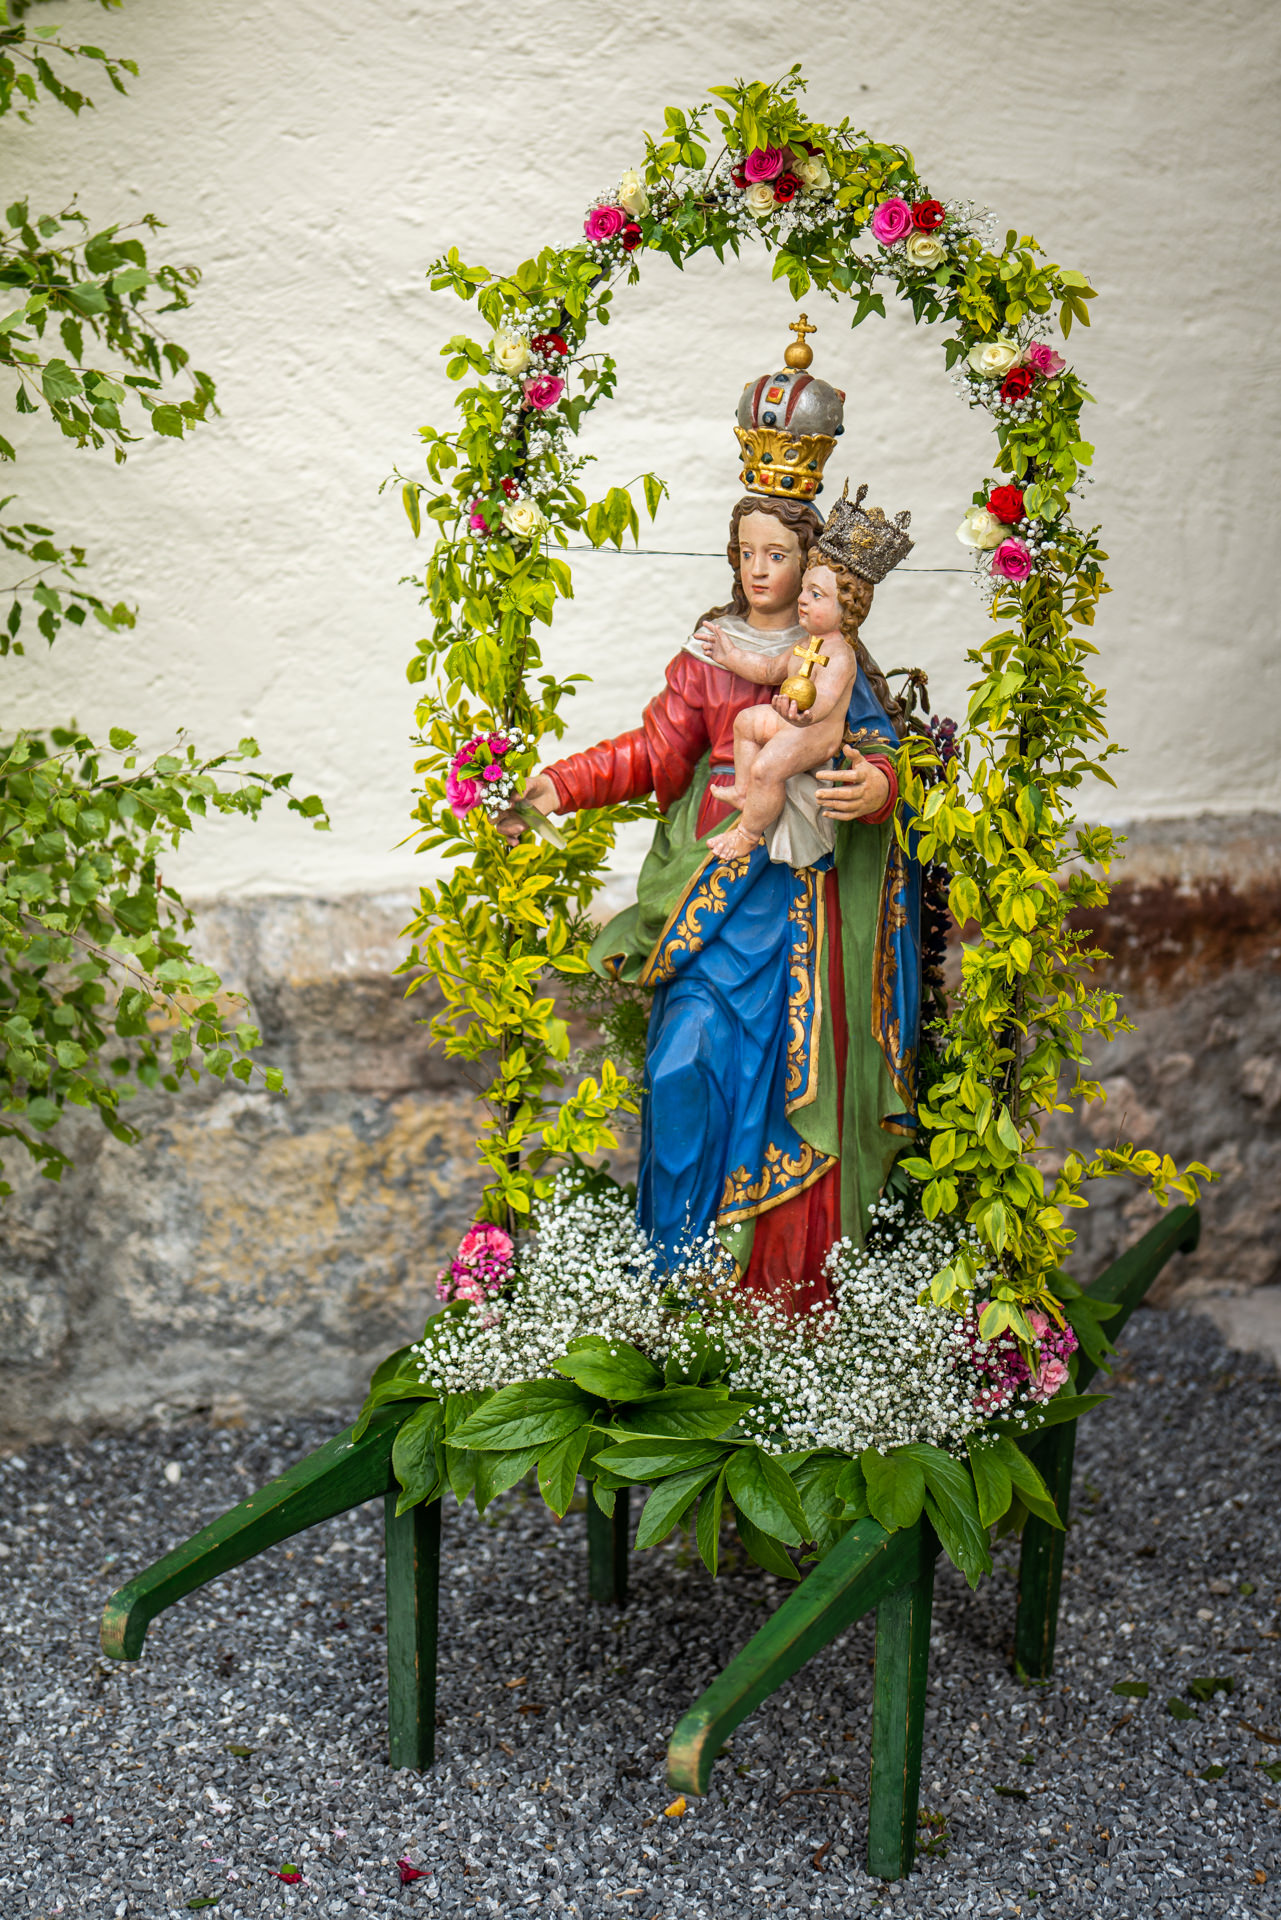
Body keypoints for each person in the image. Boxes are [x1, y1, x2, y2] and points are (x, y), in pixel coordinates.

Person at [500, 337, 923, 1313]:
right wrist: (554, 787)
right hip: (711, 890)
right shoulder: (708, 653)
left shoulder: (832, 651)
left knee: (792, 1089)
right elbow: (653, 751)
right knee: (684, 1067)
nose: (760, 570)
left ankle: (782, 1297)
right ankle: (678, 1282)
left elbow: (879, 748)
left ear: (811, 562)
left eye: (779, 555)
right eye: (746, 554)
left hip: (803, 912)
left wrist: (876, 787)